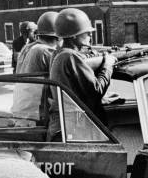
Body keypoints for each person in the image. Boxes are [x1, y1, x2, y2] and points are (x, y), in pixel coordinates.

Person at [47, 8, 117, 141]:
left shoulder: (59, 53)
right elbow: (96, 91)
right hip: (74, 128)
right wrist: (108, 64)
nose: (90, 36)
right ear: (74, 36)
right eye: (86, 33)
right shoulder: (70, 57)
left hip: (63, 125)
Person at [12, 11, 60, 125]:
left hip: (22, 113)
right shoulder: (45, 51)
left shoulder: (28, 47)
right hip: (35, 117)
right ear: (59, 37)